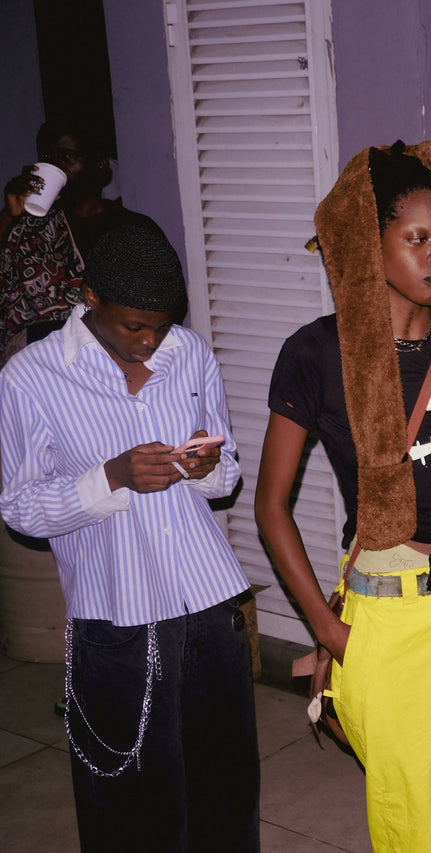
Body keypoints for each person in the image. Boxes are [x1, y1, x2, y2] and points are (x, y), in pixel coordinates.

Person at [255, 138, 431, 853]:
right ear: (369, 243)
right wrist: (328, 630)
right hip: (396, 611)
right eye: (418, 238)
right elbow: (271, 505)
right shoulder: (316, 352)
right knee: (418, 824)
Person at [0, 223, 259, 852]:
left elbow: (225, 472)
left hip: (209, 602)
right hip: (116, 616)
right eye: (133, 326)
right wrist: (111, 477)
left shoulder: (189, 353)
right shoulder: (31, 377)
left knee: (225, 792)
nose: (149, 342)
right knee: (131, 808)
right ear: (91, 297)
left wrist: (205, 467)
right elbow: (19, 507)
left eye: (162, 326)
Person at [1, 115, 155, 363]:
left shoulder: (131, 229)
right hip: (28, 360)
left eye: (66, 156)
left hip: (102, 361)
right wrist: (9, 215)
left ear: (99, 164)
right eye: (48, 158)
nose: (56, 167)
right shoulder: (29, 225)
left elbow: (155, 313)